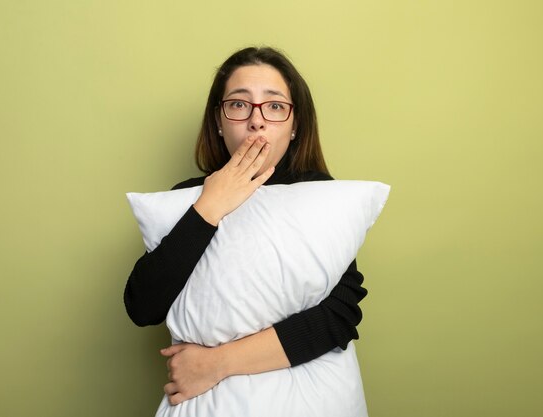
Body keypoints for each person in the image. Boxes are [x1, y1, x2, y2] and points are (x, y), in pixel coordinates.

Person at [123, 46, 368, 407]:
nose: (257, 120)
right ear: (219, 122)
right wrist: (209, 206)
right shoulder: (186, 199)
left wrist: (216, 364)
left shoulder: (320, 195)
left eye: (274, 105)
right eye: (239, 104)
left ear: (295, 124)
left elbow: (341, 315)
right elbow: (143, 307)